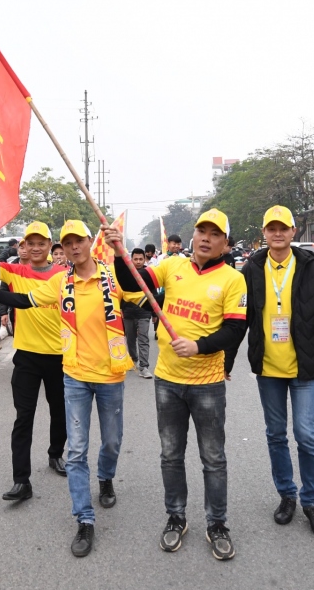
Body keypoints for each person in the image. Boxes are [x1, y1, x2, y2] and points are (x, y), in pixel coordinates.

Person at [0, 220, 143, 557]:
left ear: (89, 242)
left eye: (79, 240)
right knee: (75, 450)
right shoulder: (60, 283)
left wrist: (121, 251)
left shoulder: (110, 276)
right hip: (73, 373)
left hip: (109, 376)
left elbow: (140, 291)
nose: (75, 247)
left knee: (111, 441)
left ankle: (105, 477)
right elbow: (23, 300)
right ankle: (84, 519)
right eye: (69, 242)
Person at [106, 209, 248, 561]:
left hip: (208, 384)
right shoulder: (171, 267)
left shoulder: (233, 279)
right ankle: (176, 517)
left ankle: (217, 523)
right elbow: (130, 283)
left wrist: (198, 346)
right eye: (201, 230)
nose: (205, 237)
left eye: (214, 234)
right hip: (167, 381)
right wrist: (117, 250)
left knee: (213, 458)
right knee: (171, 455)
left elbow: (235, 330)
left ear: (224, 243)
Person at [242, 206, 314, 539]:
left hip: (303, 369)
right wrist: (223, 360)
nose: (277, 234)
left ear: (292, 232)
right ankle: (287, 495)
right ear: (265, 233)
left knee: (306, 436)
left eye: (283, 228)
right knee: (275, 435)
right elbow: (240, 318)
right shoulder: (251, 269)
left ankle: (311, 502)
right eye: (271, 229)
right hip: (269, 370)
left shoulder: (312, 270)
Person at [0, 216, 68, 501]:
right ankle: (22, 480)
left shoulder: (62, 275)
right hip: (27, 358)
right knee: (24, 417)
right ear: (24, 246)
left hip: (59, 357)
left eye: (40, 243)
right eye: (30, 243)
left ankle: (56, 454)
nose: (35, 248)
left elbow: (26, 300)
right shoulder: (14, 271)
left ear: (49, 245)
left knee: (60, 413)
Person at [122, 247, 155, 379]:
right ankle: (133, 358)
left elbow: (154, 294)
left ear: (144, 259)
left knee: (143, 339)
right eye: (135, 259)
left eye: (141, 259)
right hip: (128, 311)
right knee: (130, 339)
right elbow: (120, 293)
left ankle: (144, 366)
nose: (138, 261)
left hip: (144, 312)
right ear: (131, 259)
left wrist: (154, 314)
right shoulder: (125, 273)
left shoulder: (149, 273)